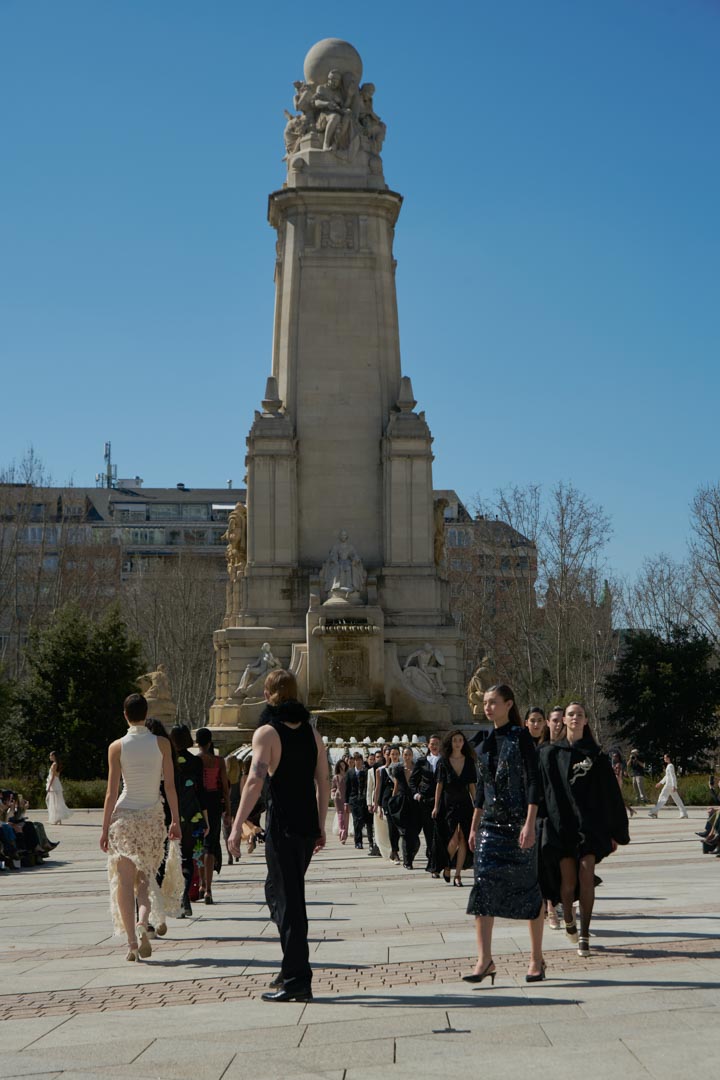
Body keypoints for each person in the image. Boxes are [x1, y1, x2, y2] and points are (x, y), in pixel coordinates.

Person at [227, 669, 328, 1003]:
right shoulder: (313, 734)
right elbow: (324, 781)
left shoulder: (267, 733)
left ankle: (298, 978)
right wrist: (322, 824)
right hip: (306, 826)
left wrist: (237, 823)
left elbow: (255, 780)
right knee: (279, 892)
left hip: (283, 827)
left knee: (289, 903)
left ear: (269, 694)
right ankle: (291, 966)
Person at [465, 684, 545, 984]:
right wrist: (474, 826)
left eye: (493, 702)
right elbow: (481, 791)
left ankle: (536, 958)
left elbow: (534, 781)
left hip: (517, 825)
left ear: (508, 704)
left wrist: (529, 823)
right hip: (489, 827)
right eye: (485, 702)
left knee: (528, 889)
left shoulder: (521, 736)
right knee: (483, 890)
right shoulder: (483, 740)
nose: (487, 707)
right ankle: (484, 960)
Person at [538, 701, 630, 959]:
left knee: (586, 874)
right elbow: (541, 793)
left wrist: (615, 831)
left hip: (589, 826)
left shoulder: (597, 757)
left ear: (586, 720)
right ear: (563, 720)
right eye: (570, 714)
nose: (575, 718)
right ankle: (568, 916)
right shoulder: (549, 754)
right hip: (561, 826)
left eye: (580, 714)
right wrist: (536, 824)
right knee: (568, 882)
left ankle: (585, 935)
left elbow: (610, 795)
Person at [100, 693, 182, 961]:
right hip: (152, 817)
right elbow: (169, 786)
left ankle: (132, 944)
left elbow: (112, 793)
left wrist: (103, 829)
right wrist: (176, 820)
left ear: (125, 715)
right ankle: (142, 921)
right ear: (146, 714)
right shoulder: (161, 744)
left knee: (123, 881)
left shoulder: (116, 746)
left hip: (124, 817)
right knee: (144, 880)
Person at [170, 724, 208, 917]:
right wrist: (206, 819)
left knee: (171, 859)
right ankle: (184, 897)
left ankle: (177, 899)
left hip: (171, 815)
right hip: (192, 814)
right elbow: (201, 792)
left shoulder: (167, 761)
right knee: (188, 857)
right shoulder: (196, 762)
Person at [432, 731, 476, 886]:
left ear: (464, 743)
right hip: (448, 803)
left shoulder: (469, 761)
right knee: (453, 839)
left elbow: (472, 786)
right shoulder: (443, 761)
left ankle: (458, 875)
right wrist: (436, 806)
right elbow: (439, 785)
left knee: (464, 838)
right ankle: (446, 864)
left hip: (465, 804)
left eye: (460, 740)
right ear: (450, 743)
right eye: (455, 740)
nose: (458, 743)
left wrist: (477, 805)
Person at [195, 727, 231, 904]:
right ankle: (208, 889)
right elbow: (225, 788)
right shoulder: (218, 761)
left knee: (199, 844)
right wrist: (229, 812)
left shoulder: (194, 761)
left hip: (198, 805)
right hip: (215, 803)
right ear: (210, 742)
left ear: (197, 742)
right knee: (210, 845)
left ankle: (201, 883)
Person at [409, 734, 442, 874]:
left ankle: (438, 861)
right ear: (428, 745)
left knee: (439, 832)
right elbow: (412, 781)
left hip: (441, 801)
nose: (434, 746)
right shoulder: (422, 761)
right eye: (432, 743)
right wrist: (416, 794)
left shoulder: (444, 761)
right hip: (425, 802)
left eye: (436, 743)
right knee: (429, 833)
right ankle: (432, 861)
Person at [389, 747, 422, 869]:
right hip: (402, 802)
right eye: (405, 754)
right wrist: (392, 802)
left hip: (415, 802)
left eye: (409, 754)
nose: (407, 756)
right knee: (405, 833)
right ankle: (407, 861)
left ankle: (411, 854)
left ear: (412, 756)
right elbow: (396, 786)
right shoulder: (398, 769)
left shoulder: (418, 769)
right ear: (402, 756)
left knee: (415, 832)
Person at [375, 746, 402, 862]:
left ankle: (397, 849)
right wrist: (378, 805)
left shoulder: (402, 768)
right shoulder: (383, 770)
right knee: (392, 826)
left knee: (398, 826)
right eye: (392, 754)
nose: (394, 756)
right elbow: (380, 788)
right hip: (388, 801)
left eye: (396, 754)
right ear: (389, 755)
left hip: (400, 800)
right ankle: (394, 851)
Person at [345, 752, 374, 851]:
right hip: (354, 800)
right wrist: (346, 802)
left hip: (365, 800)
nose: (358, 762)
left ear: (362, 761)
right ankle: (358, 842)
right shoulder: (350, 772)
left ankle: (371, 842)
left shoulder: (367, 772)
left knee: (368, 821)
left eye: (359, 760)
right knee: (357, 821)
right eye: (356, 760)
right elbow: (347, 788)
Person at [648, 754, 688, 819]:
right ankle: (684, 813)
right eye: (664, 758)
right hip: (670, 785)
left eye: (665, 758)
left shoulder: (670, 766)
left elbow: (672, 776)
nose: (664, 759)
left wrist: (673, 786)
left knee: (662, 798)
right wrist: (660, 783)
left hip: (669, 785)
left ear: (669, 758)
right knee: (677, 799)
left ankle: (654, 812)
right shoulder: (669, 766)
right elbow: (667, 776)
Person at [46, 751, 72, 825]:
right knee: (55, 801)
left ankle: (56, 818)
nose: (50, 757)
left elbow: (53, 776)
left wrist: (50, 786)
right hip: (56, 783)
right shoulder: (56, 764)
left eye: (51, 755)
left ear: (54, 756)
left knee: (53, 801)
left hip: (54, 784)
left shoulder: (54, 764)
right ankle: (57, 819)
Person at [225, 753, 242, 864]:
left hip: (227, 805)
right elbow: (242, 792)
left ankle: (229, 856)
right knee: (237, 829)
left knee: (226, 831)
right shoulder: (240, 776)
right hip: (237, 805)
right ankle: (237, 851)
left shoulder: (225, 776)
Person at [331, 759, 349, 843]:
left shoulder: (348, 775)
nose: (342, 766)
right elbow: (333, 788)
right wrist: (333, 794)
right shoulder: (336, 777)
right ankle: (342, 832)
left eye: (343, 765)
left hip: (347, 797)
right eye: (341, 765)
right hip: (338, 798)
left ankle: (345, 834)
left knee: (346, 816)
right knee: (340, 816)